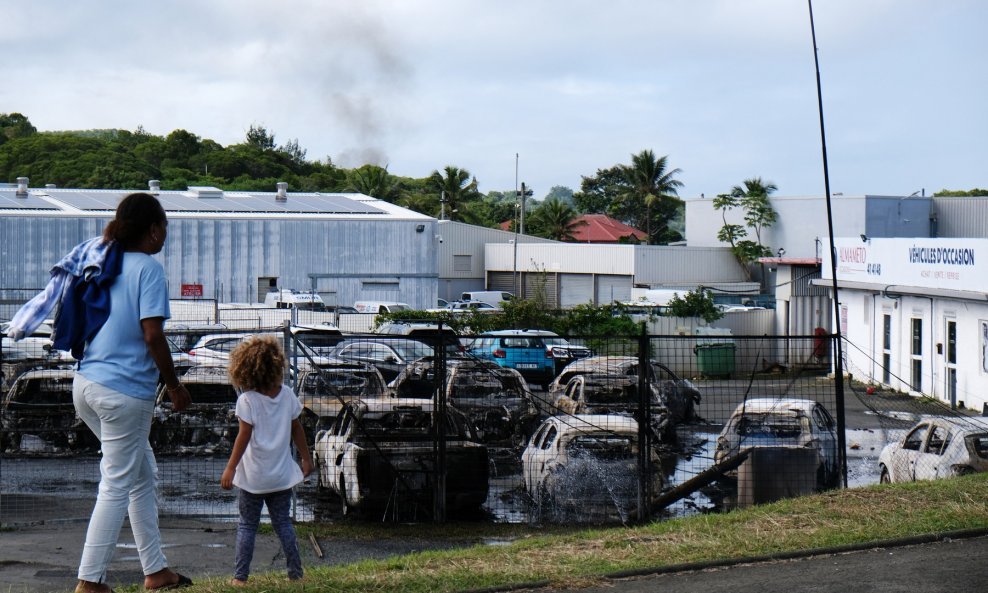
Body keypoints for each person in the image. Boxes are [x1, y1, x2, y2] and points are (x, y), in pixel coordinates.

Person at [72, 193, 193, 593]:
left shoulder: (104, 262)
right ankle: (90, 582)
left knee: (141, 474)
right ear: (154, 229)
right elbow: (153, 334)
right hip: (124, 393)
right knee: (117, 483)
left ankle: (156, 571)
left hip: (86, 384)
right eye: (164, 229)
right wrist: (174, 386)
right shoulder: (149, 269)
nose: (165, 237)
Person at [221, 335, 314, 585]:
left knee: (247, 526)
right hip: (281, 477)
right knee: (283, 524)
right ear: (276, 366)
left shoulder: (247, 400)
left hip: (253, 479)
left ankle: (240, 578)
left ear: (245, 370)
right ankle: (296, 574)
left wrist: (230, 468)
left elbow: (243, 436)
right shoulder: (287, 395)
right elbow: (297, 429)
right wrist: (306, 458)